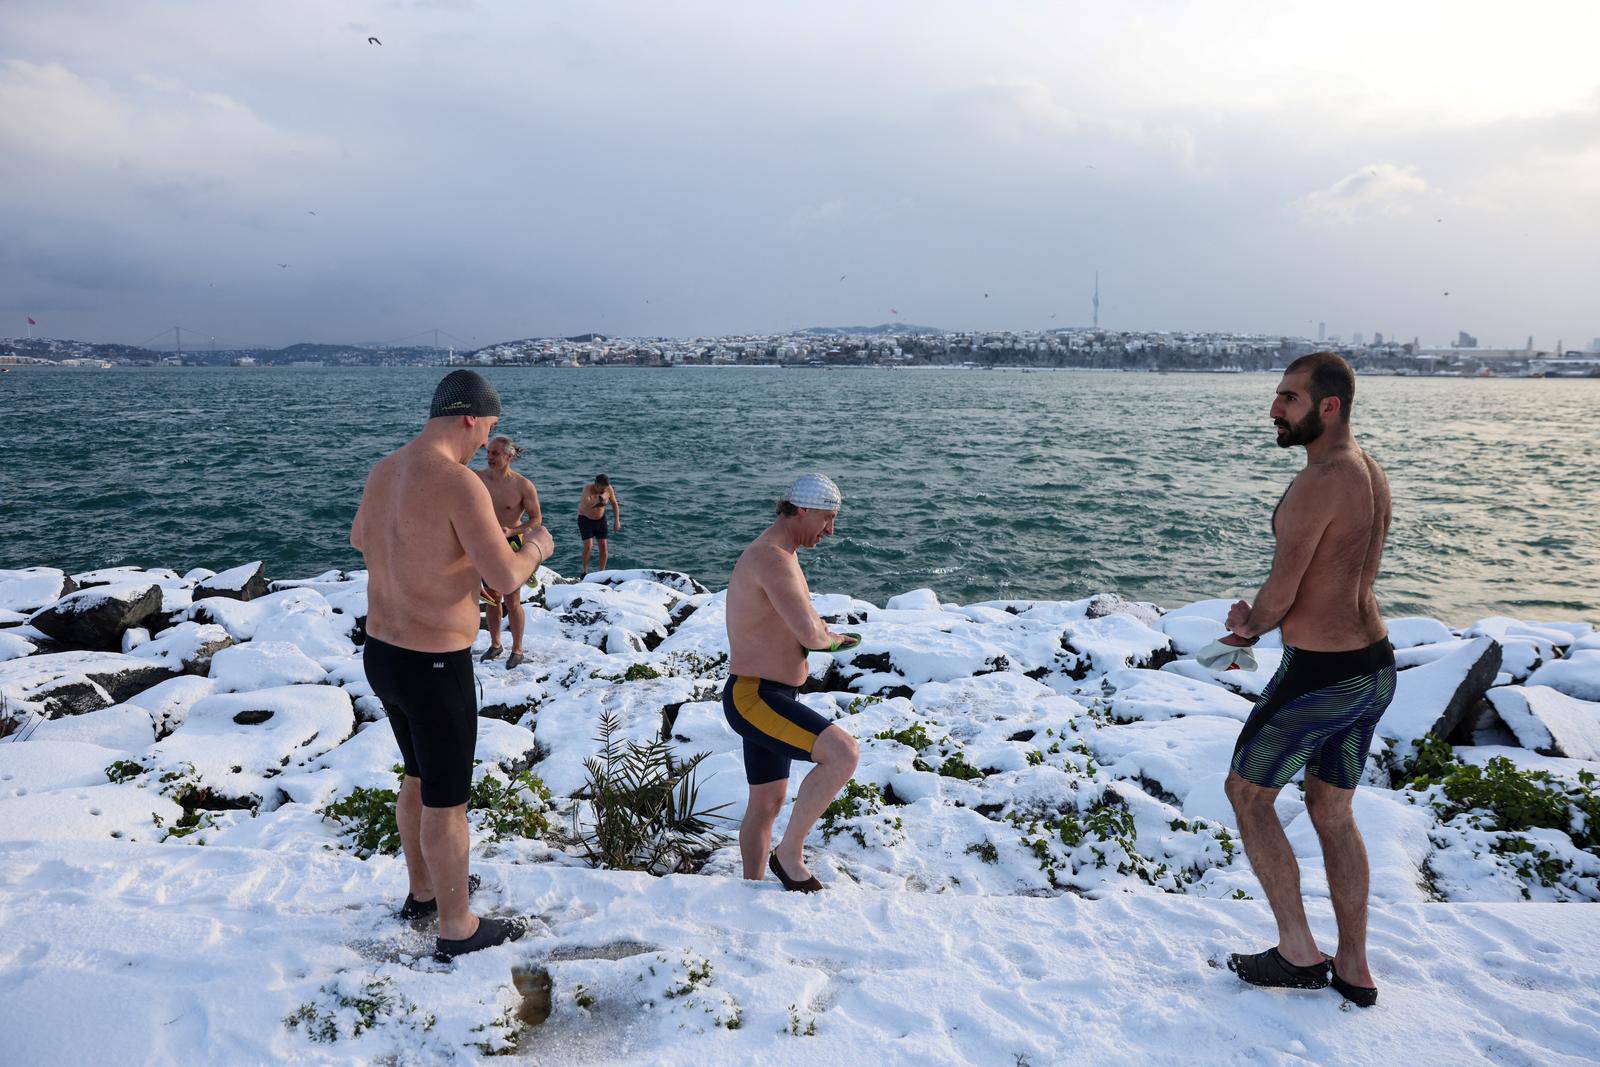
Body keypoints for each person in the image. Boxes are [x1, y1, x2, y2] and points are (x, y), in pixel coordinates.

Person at [350, 369, 555, 960]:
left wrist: (443, 565)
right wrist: (539, 543)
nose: (485, 440)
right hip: (435, 666)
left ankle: (422, 893)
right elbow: (506, 575)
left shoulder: (385, 470)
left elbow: (363, 538)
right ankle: (457, 927)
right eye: (488, 428)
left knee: (417, 776)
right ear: (470, 418)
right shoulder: (459, 483)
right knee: (447, 800)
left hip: (383, 654)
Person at [1219, 352, 1394, 1008]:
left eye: (1288, 398)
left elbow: (1285, 588)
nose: (1274, 410)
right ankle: (1354, 965)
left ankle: (1297, 950)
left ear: (1329, 407)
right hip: (1374, 668)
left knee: (1246, 792)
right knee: (1331, 807)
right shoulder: (1369, 472)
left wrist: (1247, 627)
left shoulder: (1320, 482)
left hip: (1320, 677)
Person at [722, 473, 861, 892]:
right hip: (755, 695)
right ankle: (790, 855)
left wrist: (820, 631)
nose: (830, 530)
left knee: (767, 802)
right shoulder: (773, 559)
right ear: (802, 510)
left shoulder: (782, 553)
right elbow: (810, 635)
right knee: (842, 754)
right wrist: (832, 639)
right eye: (826, 519)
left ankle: (751, 888)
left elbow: (790, 622)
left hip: (769, 692)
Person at [476, 435, 542, 669]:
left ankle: (517, 649)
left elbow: (536, 519)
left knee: (512, 599)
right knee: (492, 598)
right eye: (488, 453)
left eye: (495, 453)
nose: (490, 457)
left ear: (509, 456)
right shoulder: (476, 479)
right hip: (484, 545)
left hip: (512, 544)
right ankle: (495, 645)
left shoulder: (522, 485)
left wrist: (513, 529)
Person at [577, 474, 621, 575]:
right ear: (596, 485)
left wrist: (616, 521)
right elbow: (587, 505)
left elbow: (614, 504)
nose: (603, 491)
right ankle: (584, 571)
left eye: (604, 489)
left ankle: (601, 573)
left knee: (603, 547)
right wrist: (601, 497)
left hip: (600, 520)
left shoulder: (608, 489)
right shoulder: (587, 489)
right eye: (601, 489)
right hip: (585, 520)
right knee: (588, 546)